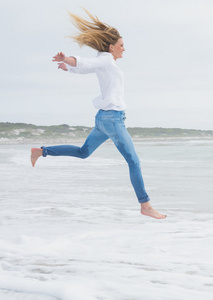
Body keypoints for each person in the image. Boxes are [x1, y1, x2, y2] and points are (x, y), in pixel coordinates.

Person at [31, 9, 166, 219]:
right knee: (133, 161)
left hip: (104, 120)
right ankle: (145, 205)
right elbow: (86, 63)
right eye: (122, 46)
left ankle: (42, 151)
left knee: (84, 152)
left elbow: (86, 67)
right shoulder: (106, 60)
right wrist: (68, 59)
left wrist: (68, 66)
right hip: (112, 119)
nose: (124, 49)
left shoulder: (105, 61)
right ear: (112, 47)